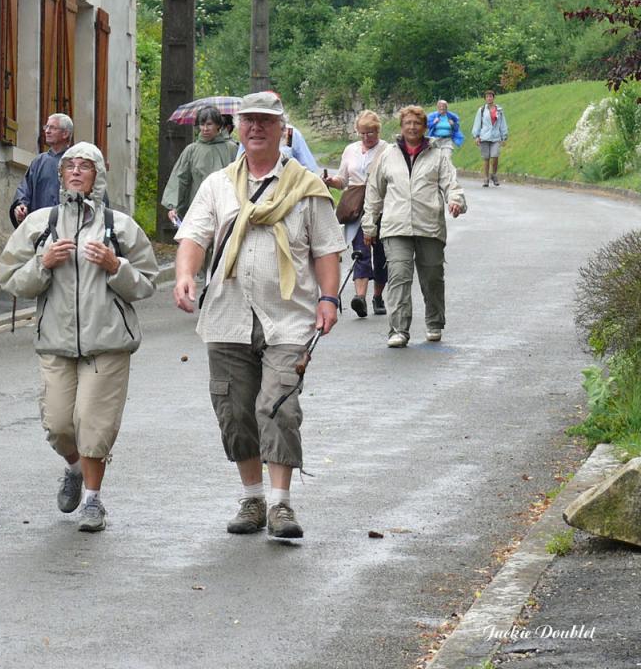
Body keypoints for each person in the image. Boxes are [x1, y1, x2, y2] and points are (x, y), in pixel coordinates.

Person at [173, 91, 344, 541]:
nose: (255, 128)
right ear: (239, 127)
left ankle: (281, 505)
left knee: (277, 405)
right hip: (227, 314)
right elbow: (194, 234)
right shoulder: (218, 186)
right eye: (248, 121)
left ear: (281, 129)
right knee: (234, 409)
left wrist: (329, 299)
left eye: (265, 122)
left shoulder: (307, 187)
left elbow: (327, 249)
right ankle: (252, 498)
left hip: (288, 317)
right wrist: (185, 276)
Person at [0, 142, 159, 533]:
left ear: (97, 176)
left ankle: (93, 500)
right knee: (57, 424)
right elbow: (9, 278)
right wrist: (43, 262)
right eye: (69, 165)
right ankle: (73, 468)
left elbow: (147, 282)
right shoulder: (39, 224)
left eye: (84, 166)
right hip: (55, 341)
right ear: (60, 175)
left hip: (107, 343)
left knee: (93, 423)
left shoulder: (119, 227)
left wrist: (114, 265)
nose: (75, 171)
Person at [363, 105, 467, 348]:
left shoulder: (437, 154)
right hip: (395, 226)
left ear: (424, 127)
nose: (412, 127)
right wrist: (369, 225)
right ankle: (398, 329)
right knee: (398, 277)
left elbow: (451, 184)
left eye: (417, 123)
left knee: (432, 277)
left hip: (428, 224)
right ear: (401, 127)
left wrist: (455, 201)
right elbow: (374, 192)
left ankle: (434, 322)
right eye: (408, 123)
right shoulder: (388, 155)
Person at [323, 110, 391, 318]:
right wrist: (330, 182)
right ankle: (359, 297)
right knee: (360, 251)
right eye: (362, 133)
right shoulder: (350, 150)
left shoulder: (388, 149)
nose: (366, 137)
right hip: (355, 206)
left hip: (380, 205)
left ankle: (378, 296)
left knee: (380, 254)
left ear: (377, 130)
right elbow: (343, 180)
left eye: (370, 133)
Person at [161, 108, 238, 227]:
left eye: (209, 124)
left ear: (218, 125)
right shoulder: (191, 150)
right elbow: (181, 179)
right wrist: (174, 206)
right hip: (199, 207)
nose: (205, 129)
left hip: (226, 207)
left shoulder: (232, 149)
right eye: (202, 124)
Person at [10, 114, 74, 226]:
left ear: (65, 133)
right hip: (40, 228)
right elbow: (24, 189)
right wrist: (21, 207)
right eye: (46, 127)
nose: (47, 131)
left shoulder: (76, 162)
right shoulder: (38, 162)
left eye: (53, 128)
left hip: (67, 227)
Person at [472, 90, 510, 187]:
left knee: (495, 156)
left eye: (491, 96)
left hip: (496, 137)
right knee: (486, 158)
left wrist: (504, 137)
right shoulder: (481, 110)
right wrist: (476, 136)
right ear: (485, 99)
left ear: (494, 98)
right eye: (487, 97)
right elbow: (477, 123)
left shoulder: (499, 110)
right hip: (484, 137)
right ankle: (486, 178)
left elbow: (502, 123)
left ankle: (494, 174)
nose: (489, 98)